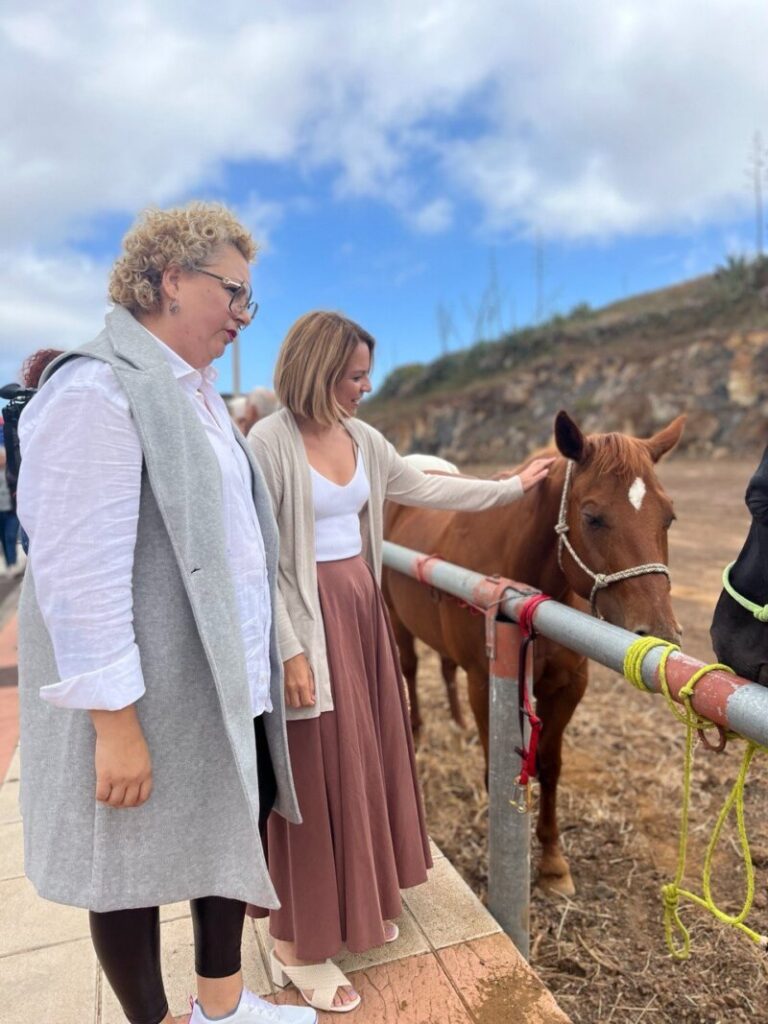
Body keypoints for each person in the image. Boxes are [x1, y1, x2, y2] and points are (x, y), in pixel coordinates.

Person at [16, 202, 316, 1024]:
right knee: (130, 864)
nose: (244, 316)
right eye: (235, 293)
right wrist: (114, 720)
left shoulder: (196, 396)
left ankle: (223, 1010)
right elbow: (76, 570)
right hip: (148, 689)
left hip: (221, 674)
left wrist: (276, 645)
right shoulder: (97, 387)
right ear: (171, 279)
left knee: (226, 830)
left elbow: (241, 543)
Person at [247, 310, 554, 1014]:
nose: (365, 387)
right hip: (309, 620)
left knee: (358, 762)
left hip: (359, 607)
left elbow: (430, 490)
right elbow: (258, 559)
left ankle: (349, 908)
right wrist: (289, 645)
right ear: (320, 368)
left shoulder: (360, 437)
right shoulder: (268, 441)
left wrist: (512, 487)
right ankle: (298, 941)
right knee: (315, 772)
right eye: (355, 375)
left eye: (366, 374)